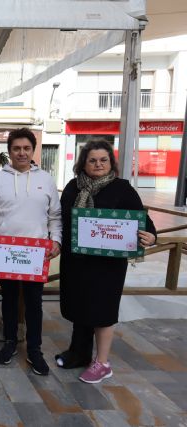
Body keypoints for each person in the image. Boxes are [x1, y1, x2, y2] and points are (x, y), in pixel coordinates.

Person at [57, 139, 156, 383]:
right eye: (92, 160)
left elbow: (144, 222)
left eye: (103, 160)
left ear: (111, 162)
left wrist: (151, 236)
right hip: (77, 261)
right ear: (83, 164)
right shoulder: (72, 187)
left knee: (102, 310)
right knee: (80, 307)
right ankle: (78, 353)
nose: (98, 164)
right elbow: (61, 219)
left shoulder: (122, 189)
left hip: (107, 266)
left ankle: (102, 363)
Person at [0, 128, 62, 375]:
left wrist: (56, 240)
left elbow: (55, 216)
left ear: (33, 150)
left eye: (26, 148)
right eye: (16, 148)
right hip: (5, 252)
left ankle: (34, 349)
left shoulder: (46, 180)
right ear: (10, 151)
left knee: (35, 303)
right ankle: (10, 341)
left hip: (36, 253)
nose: (21, 153)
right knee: (9, 299)